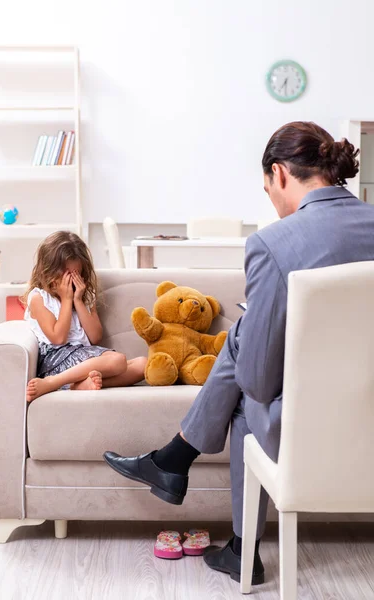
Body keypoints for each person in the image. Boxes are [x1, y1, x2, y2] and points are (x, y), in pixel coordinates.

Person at [103, 121, 374, 584]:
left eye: (268, 188)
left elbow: (258, 381)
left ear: (279, 173)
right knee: (245, 340)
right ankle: (175, 465)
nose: (272, 199)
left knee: (246, 385)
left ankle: (239, 544)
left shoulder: (272, 244)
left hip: (305, 428)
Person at [24, 231, 147, 402]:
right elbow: (58, 338)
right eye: (67, 274)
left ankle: (78, 385)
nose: (73, 280)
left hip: (83, 356)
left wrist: (78, 301)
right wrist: (66, 301)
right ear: (49, 272)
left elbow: (95, 337)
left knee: (143, 365)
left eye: (77, 274)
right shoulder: (39, 298)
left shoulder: (84, 296)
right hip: (56, 359)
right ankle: (53, 382)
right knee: (118, 361)